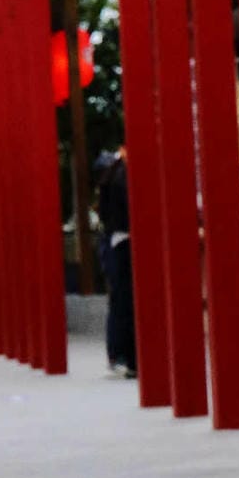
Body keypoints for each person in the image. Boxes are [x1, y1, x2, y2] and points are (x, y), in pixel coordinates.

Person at [97, 147, 136, 379]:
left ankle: (119, 354)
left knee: (120, 301)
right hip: (125, 241)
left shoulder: (110, 174)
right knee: (126, 301)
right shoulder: (122, 176)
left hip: (115, 240)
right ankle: (128, 356)